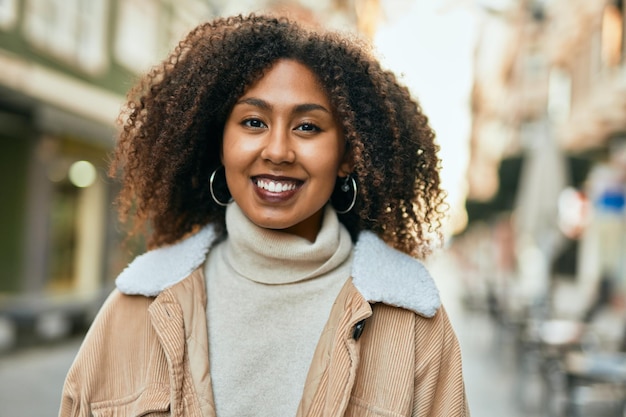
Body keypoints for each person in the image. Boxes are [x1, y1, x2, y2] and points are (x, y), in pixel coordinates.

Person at [59, 13, 469, 417]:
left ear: (348, 155)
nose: (277, 151)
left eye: (307, 127)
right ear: (219, 143)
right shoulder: (135, 306)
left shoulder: (414, 325)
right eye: (253, 122)